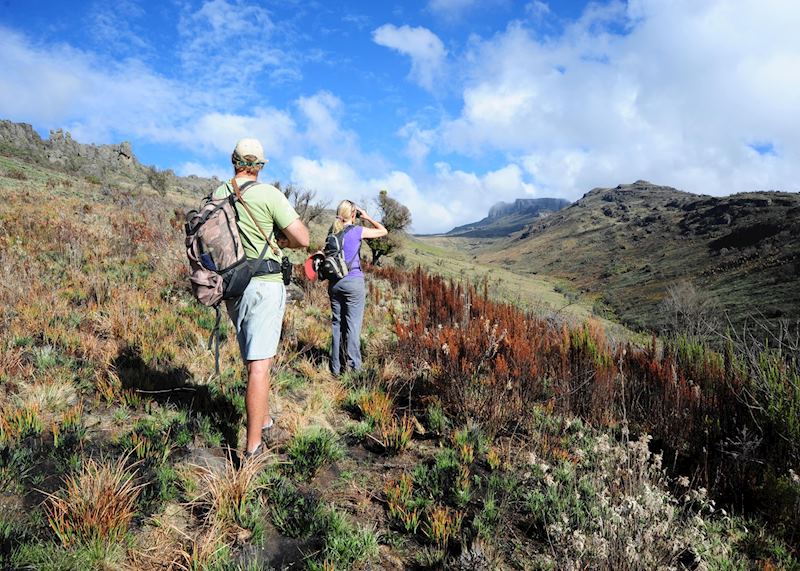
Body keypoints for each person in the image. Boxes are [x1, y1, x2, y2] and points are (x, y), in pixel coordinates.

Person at [213, 138, 309, 457]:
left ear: (234, 161)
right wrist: (280, 239)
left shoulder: (217, 194)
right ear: (260, 166)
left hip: (232, 286)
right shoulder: (268, 194)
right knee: (260, 365)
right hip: (264, 285)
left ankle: (264, 419)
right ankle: (252, 447)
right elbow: (303, 238)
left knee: (251, 358)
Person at [327, 200, 387, 376]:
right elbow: (383, 231)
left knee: (337, 324)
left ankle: (335, 368)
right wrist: (367, 217)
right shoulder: (357, 231)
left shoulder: (333, 232)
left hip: (334, 283)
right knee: (353, 326)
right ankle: (354, 370)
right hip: (353, 281)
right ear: (353, 214)